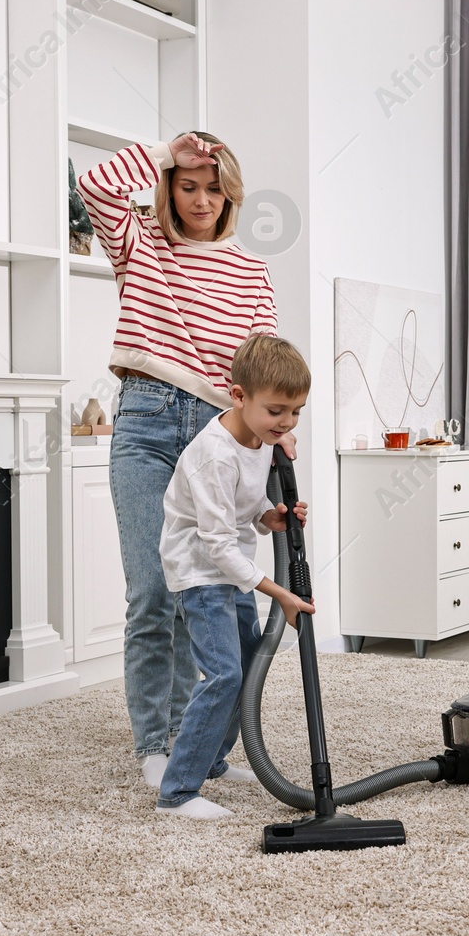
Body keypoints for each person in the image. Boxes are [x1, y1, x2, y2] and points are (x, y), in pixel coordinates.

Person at [76, 132, 293, 788]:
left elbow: (266, 369)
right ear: (168, 185)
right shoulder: (139, 242)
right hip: (143, 424)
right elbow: (94, 186)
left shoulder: (250, 271)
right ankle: (157, 744)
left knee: (226, 595)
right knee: (153, 591)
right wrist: (164, 149)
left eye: (213, 186)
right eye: (187, 184)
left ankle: (213, 745)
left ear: (231, 190)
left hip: (218, 435)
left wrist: (282, 434)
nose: (201, 199)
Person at [154, 334, 315, 819]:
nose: (286, 422)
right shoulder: (214, 454)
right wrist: (280, 594)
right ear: (238, 395)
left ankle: (212, 762)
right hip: (201, 572)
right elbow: (216, 542)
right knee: (223, 673)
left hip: (232, 568)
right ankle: (177, 792)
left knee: (244, 670)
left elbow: (245, 509)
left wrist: (272, 517)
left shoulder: (259, 438)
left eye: (296, 412)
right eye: (276, 411)